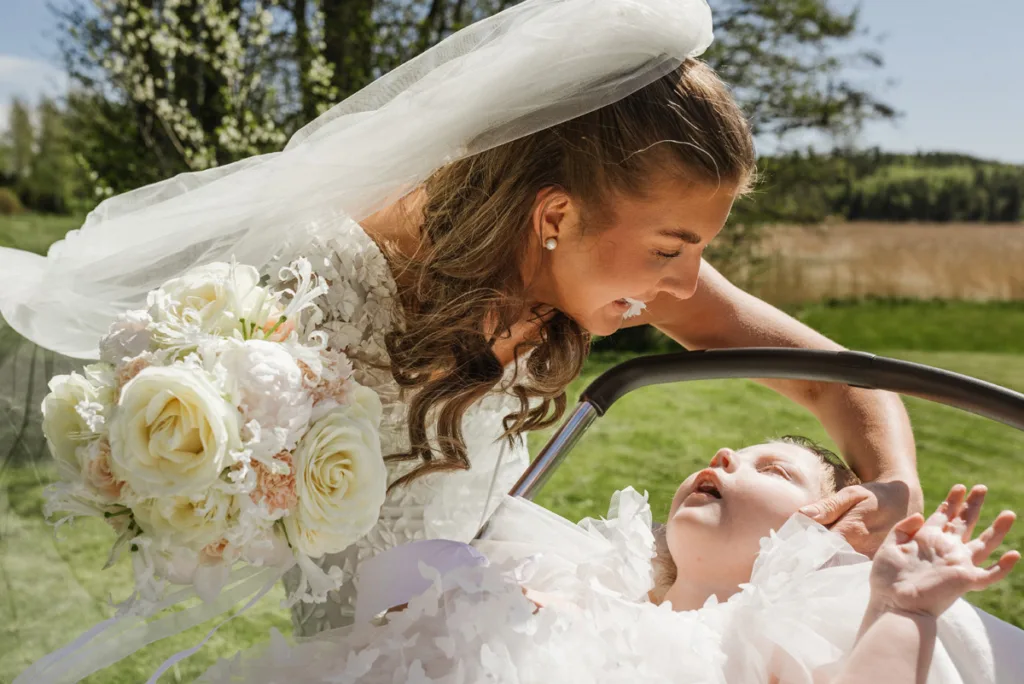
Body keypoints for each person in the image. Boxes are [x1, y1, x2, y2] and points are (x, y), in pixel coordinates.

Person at [0, 0, 918, 645]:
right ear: (555, 217)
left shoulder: (604, 266)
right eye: (672, 247)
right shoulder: (323, 279)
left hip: (511, 629)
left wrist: (895, 492)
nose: (685, 282)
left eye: (697, 251)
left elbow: (836, 377)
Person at [195, 438, 1022, 683]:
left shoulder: (774, 635)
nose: (727, 459)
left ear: (826, 529)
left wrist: (904, 608)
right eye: (724, 455)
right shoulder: (564, 582)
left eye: (772, 471)